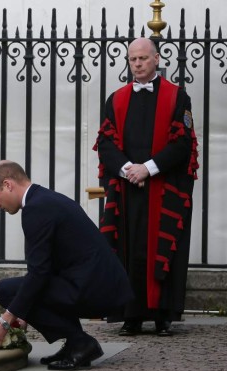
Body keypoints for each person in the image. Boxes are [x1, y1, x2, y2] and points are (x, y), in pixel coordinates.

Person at [0, 160, 133, 371]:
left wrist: (6, 320)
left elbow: (39, 273)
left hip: (96, 290)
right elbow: (48, 268)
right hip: (100, 285)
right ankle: (74, 344)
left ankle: (80, 343)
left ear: (8, 184)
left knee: (5, 290)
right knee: (24, 293)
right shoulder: (45, 199)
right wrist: (23, 311)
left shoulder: (36, 208)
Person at [93, 37, 199, 337]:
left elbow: (183, 143)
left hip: (163, 187)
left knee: (164, 248)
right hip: (128, 189)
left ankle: (164, 316)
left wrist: (148, 169)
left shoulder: (178, 97)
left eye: (142, 58)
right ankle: (131, 316)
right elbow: (105, 142)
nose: (137, 64)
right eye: (132, 59)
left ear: (156, 59)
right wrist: (128, 169)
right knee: (128, 251)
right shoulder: (115, 99)